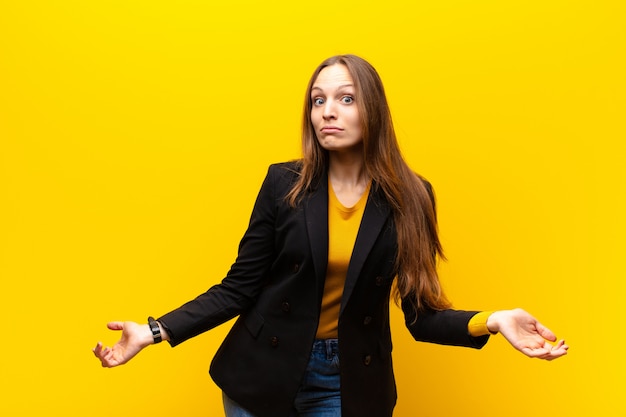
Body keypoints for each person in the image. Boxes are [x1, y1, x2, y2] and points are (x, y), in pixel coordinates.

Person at [93, 54, 568, 417]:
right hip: (262, 369)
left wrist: (496, 320)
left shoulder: (412, 196)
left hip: (348, 377)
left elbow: (420, 315)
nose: (327, 112)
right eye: (318, 100)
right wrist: (152, 332)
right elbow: (238, 288)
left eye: (345, 98)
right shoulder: (284, 183)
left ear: (373, 110)